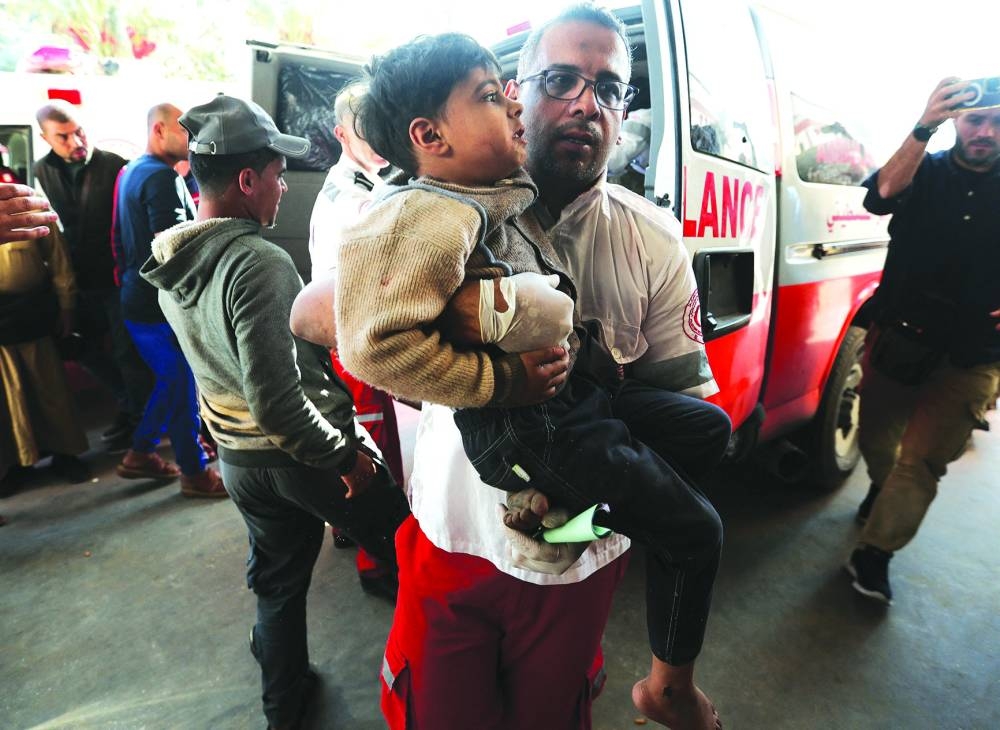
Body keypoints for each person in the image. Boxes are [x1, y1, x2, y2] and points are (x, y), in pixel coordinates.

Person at [294, 8, 726, 728]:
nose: (586, 103)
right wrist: (466, 309)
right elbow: (308, 313)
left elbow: (674, 408)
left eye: (610, 88)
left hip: (578, 565)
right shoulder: (435, 203)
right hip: (451, 541)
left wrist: (598, 511)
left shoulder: (652, 241)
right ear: (518, 92)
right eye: (560, 80)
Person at [140, 94, 410, 730]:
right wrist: (346, 456)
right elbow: (279, 400)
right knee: (409, 547)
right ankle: (438, 690)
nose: (284, 188)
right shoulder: (257, 260)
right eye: (277, 175)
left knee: (279, 585)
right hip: (299, 457)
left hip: (238, 461)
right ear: (245, 180)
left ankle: (283, 707)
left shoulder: (175, 257)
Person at [847, 78, 1000, 605]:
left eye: (998, 122)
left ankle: (875, 553)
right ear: (957, 122)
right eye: (976, 119)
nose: (985, 132)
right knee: (876, 438)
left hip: (975, 354)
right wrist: (923, 125)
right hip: (900, 339)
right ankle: (880, 486)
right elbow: (881, 196)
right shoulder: (924, 170)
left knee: (924, 460)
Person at [308, 83, 405, 594]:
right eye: (368, 128)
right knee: (373, 455)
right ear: (342, 132)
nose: (380, 138)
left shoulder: (369, 180)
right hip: (356, 342)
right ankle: (379, 566)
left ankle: (352, 530)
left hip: (364, 338)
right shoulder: (350, 197)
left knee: (370, 445)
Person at [112, 103, 225, 498]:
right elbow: (176, 251)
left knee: (174, 380)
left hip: (136, 298)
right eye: (185, 132)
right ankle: (193, 473)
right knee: (178, 381)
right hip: (156, 304)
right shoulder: (160, 178)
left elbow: (123, 242)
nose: (192, 140)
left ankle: (143, 453)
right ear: (160, 130)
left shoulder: (132, 172)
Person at [33, 101, 151, 452]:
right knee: (80, 347)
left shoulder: (116, 165)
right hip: (76, 279)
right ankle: (129, 408)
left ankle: (140, 424)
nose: (75, 141)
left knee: (128, 355)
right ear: (45, 138)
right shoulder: (42, 171)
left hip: (117, 276)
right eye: (64, 136)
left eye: (79, 131)